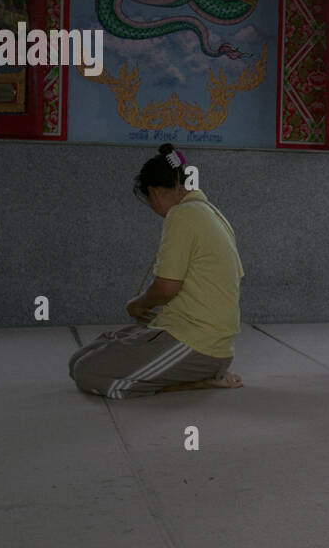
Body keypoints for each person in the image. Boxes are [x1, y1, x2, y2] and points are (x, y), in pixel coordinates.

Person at [70, 144, 244, 398]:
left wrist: (138, 304)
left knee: (87, 373)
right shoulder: (210, 212)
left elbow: (166, 288)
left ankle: (200, 381)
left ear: (154, 192)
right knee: (80, 359)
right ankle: (195, 372)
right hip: (186, 331)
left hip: (198, 343)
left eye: (149, 200)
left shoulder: (182, 215)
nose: (153, 208)